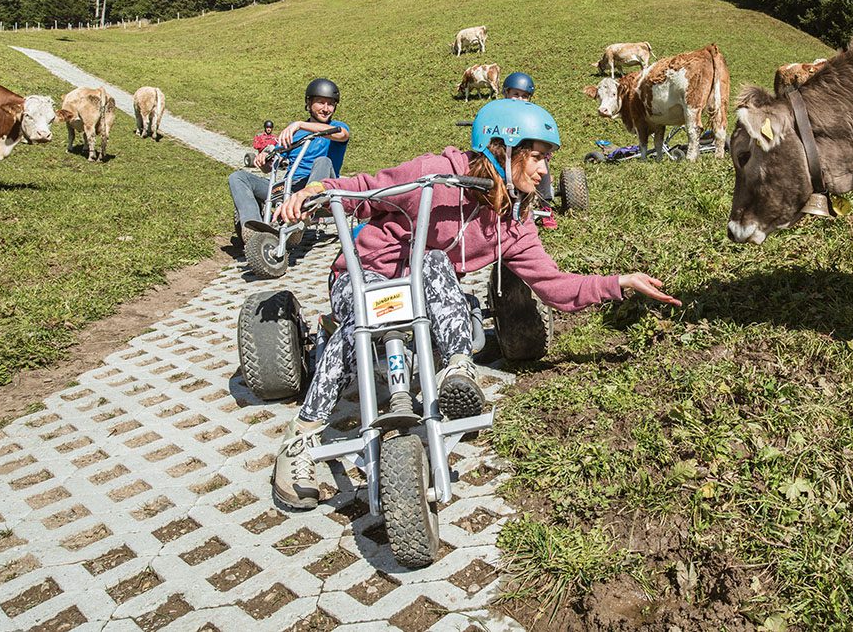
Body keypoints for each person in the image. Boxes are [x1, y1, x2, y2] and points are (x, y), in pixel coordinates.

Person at [269, 98, 680, 509]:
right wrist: (316, 190)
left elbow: (555, 286)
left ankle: (457, 369)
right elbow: (364, 189)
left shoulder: (514, 224)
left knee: (431, 260)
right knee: (362, 320)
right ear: (502, 148)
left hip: (422, 295)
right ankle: (301, 439)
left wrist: (621, 282)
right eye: (536, 158)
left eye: (547, 161)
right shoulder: (436, 174)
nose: (544, 171)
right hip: (365, 277)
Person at [229, 79, 350, 239]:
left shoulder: (335, 126)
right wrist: (264, 160)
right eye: (321, 103)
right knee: (238, 177)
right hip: (290, 188)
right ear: (309, 103)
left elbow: (342, 134)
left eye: (330, 104)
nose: (326, 109)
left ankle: (300, 214)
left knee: (323, 161)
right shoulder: (292, 134)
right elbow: (269, 167)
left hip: (321, 188)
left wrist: (299, 124)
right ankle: (253, 229)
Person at [501, 72, 558, 229]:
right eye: (516, 94)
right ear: (506, 93)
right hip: (504, 153)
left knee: (541, 164)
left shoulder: (532, 115)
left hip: (526, 153)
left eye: (525, 96)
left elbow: (541, 134)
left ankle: (546, 206)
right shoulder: (498, 112)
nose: (520, 99)